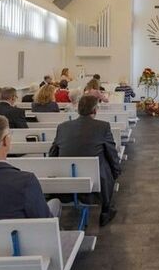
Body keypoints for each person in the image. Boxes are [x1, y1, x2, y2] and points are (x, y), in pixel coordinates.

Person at [49, 95, 121, 226]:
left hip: (67, 177)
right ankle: (106, 210)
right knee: (104, 164)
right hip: (95, 177)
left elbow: (53, 153)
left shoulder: (63, 127)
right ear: (95, 110)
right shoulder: (103, 126)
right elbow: (111, 152)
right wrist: (116, 171)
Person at [0, 115, 61, 219]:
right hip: (18, 234)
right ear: (6, 141)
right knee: (55, 203)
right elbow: (44, 221)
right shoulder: (26, 181)